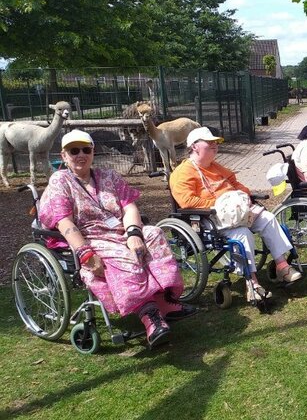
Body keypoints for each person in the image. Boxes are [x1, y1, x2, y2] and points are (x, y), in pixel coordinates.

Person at [38, 130, 194, 349]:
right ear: (64, 156)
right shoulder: (60, 181)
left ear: (93, 151)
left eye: (86, 149)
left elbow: (129, 206)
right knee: (124, 257)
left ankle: (163, 301)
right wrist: (85, 253)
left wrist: (133, 234)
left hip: (120, 230)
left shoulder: (108, 176)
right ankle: (150, 316)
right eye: (74, 151)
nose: (80, 154)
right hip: (89, 236)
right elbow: (65, 222)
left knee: (154, 234)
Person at [170, 127, 302, 297]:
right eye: (209, 142)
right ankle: (252, 283)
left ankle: (282, 266)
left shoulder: (216, 167)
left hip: (237, 211)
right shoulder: (182, 173)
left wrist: (244, 195)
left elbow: (235, 182)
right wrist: (219, 205)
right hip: (211, 217)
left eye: (215, 142)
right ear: (194, 146)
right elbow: (187, 201)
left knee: (268, 218)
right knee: (242, 234)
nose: (215, 145)